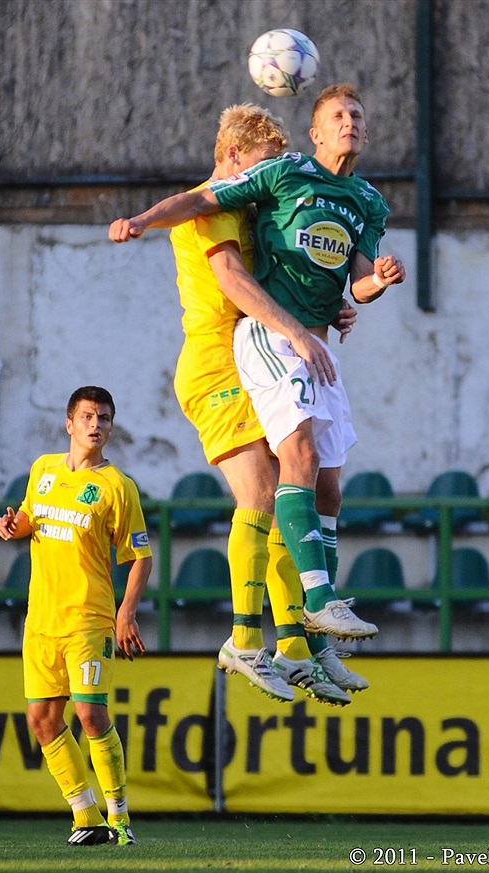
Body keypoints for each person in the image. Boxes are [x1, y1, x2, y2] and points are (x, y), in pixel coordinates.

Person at [108, 83, 405, 669]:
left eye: (357, 116)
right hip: (230, 354)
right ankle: (262, 633)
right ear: (237, 158)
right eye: (338, 115)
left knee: (319, 484)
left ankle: (302, 644)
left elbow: (342, 274)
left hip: (294, 342)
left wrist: (356, 294)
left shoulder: (353, 201)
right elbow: (235, 279)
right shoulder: (228, 201)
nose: (350, 123)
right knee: (272, 486)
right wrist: (141, 219)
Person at [0, 386, 152, 847]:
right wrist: (11, 526)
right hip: (40, 619)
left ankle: (120, 818)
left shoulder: (116, 487)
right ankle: (86, 816)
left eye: (104, 417)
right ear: (69, 423)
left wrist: (126, 613)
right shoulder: (42, 469)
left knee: (89, 713)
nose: (96, 425)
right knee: (42, 719)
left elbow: (140, 557)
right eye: (87, 416)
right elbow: (29, 519)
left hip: (88, 616)